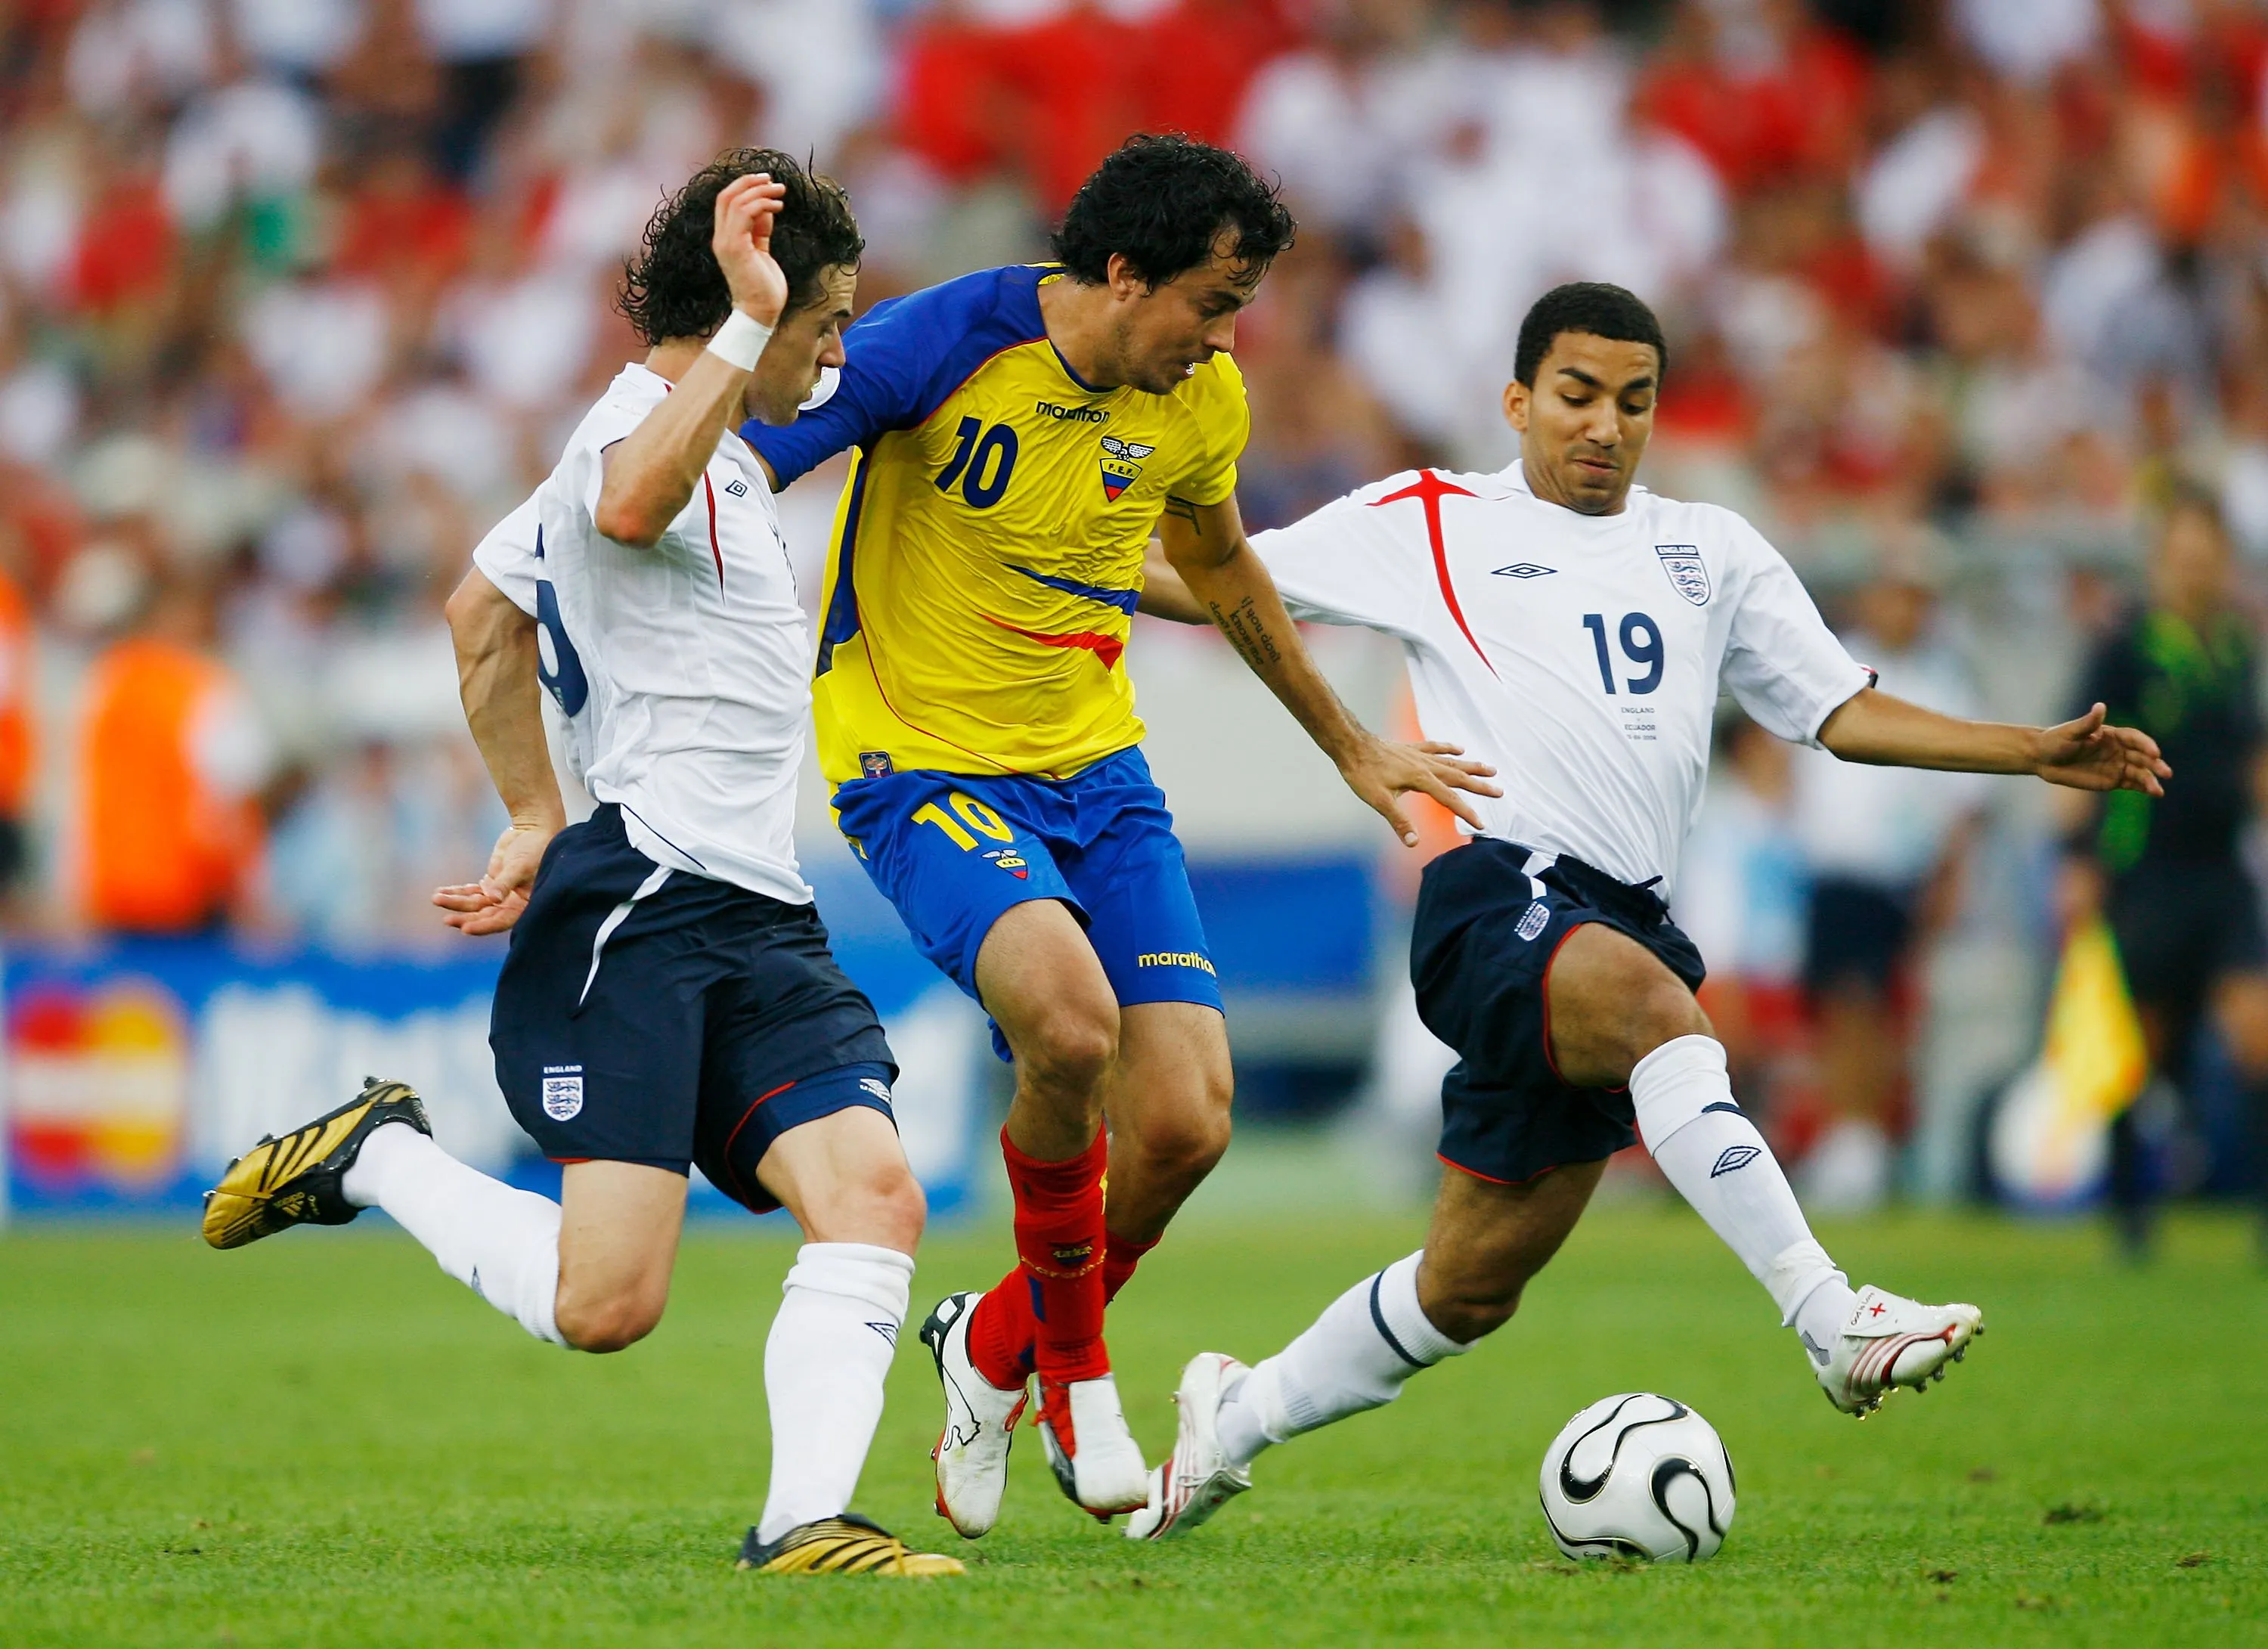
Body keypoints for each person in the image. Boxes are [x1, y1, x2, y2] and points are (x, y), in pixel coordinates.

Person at [1121, 281, 2169, 1541]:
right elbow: (1216, 581)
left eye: (1635, 402)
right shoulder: (1431, 520)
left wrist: (2024, 749)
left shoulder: (1711, 550)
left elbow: (1836, 709)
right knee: (1666, 1018)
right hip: (1496, 895)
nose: (1605, 426)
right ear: (1517, 402)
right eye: (1576, 396)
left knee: (1469, 1286)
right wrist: (1042, 565)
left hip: (1622, 917)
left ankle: (1231, 1417)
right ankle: (1829, 1318)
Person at [199, 150, 961, 1578]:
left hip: (762, 912)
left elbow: (480, 613)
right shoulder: (630, 428)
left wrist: (534, 810)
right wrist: (746, 328)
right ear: (744, 308)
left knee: (874, 1195)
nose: (837, 350)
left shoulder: (713, 450)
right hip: (654, 908)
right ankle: (379, 1158)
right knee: (606, 1303)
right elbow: (615, 517)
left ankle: (807, 1526)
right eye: (824, 322)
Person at [741, 133, 1497, 1533]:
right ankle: (1079, 1368)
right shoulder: (938, 343)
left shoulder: (1198, 399)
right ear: (1122, 272)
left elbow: (1220, 570)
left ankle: (994, 1350)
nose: (1226, 336)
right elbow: (737, 463)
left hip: (1099, 774)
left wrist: (1352, 744)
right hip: (920, 764)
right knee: (1073, 1029)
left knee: (1188, 1123)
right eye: (1212, 302)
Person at [2061, 487, 2268, 1257]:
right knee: (2142, 1049)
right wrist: (2078, 862)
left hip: (2222, 873)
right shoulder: (2127, 645)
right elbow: (2075, 755)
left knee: (2256, 1033)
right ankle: (2129, 1216)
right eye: (2183, 555)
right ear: (2160, 559)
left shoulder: (2237, 648)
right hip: (2144, 872)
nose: (2196, 569)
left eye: (2208, 555)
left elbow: (2251, 758)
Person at [1789, 543, 1989, 1210]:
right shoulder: (1835, 660)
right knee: (1837, 1008)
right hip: (1830, 865)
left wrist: (1949, 878)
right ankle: (1847, 1134)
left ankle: (1862, 1140)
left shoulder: (1939, 681)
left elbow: (1963, 803)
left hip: (1891, 872)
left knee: (1869, 1009)